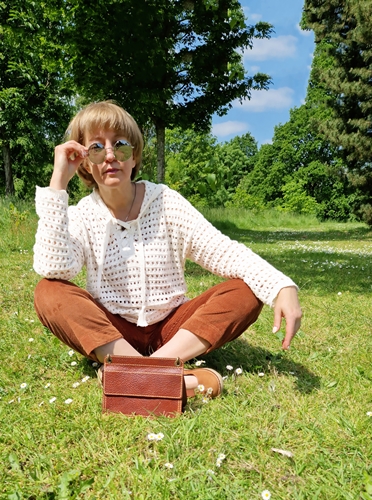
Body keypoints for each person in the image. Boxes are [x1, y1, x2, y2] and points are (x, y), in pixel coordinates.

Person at [33, 101, 302, 399]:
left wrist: (281, 285)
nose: (110, 155)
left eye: (120, 146)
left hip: (173, 329)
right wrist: (58, 183)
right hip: (114, 330)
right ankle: (162, 376)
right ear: (85, 162)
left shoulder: (166, 202)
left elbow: (223, 251)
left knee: (247, 290)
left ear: (134, 156)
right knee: (48, 291)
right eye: (96, 148)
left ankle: (131, 374)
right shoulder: (82, 215)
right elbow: (54, 268)